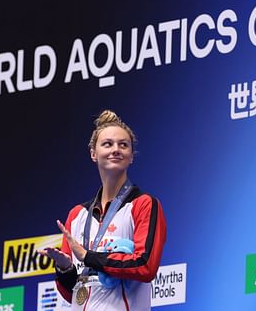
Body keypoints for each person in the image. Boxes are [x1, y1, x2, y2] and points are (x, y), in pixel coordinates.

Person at [39, 110, 167, 311]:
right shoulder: (77, 215)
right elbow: (70, 292)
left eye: (123, 145)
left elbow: (145, 266)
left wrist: (88, 256)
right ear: (93, 153)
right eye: (107, 144)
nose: (116, 149)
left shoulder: (144, 204)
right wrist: (64, 269)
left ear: (131, 156)